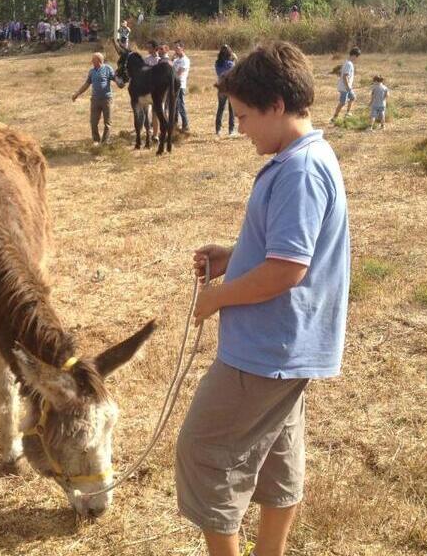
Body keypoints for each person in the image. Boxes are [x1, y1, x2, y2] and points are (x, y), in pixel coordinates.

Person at [176, 41, 350, 556]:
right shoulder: (308, 156)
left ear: (276, 105)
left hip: (265, 351)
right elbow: (286, 248)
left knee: (204, 451)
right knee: (277, 454)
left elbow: (287, 269)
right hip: (285, 351)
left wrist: (218, 298)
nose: (241, 128)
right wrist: (233, 255)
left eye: (245, 116)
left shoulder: (299, 171)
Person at [71, 52, 120, 146]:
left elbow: (115, 79)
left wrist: (121, 81)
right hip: (95, 100)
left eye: (93, 60)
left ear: (99, 60)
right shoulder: (92, 71)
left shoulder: (107, 68)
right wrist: (77, 93)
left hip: (106, 99)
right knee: (93, 122)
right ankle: (96, 140)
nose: (92, 61)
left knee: (107, 122)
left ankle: (105, 141)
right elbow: (86, 84)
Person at [330, 47, 361, 124]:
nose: (357, 59)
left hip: (346, 86)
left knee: (352, 97)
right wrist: (348, 88)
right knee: (342, 102)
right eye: (357, 57)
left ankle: (347, 113)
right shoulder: (349, 64)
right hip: (345, 87)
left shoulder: (347, 63)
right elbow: (345, 76)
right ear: (354, 55)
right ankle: (334, 118)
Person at [215, 44, 237, 136]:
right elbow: (235, 72)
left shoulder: (217, 63)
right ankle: (231, 130)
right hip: (230, 88)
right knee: (231, 109)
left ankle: (218, 129)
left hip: (221, 87)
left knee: (220, 108)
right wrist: (235, 59)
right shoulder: (230, 64)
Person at [172, 41, 191, 133]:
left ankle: (185, 125)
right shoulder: (175, 60)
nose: (175, 49)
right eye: (175, 48)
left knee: (180, 105)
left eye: (177, 48)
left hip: (180, 85)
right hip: (173, 85)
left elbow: (178, 73)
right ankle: (175, 125)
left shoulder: (185, 60)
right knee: (174, 106)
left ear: (182, 48)